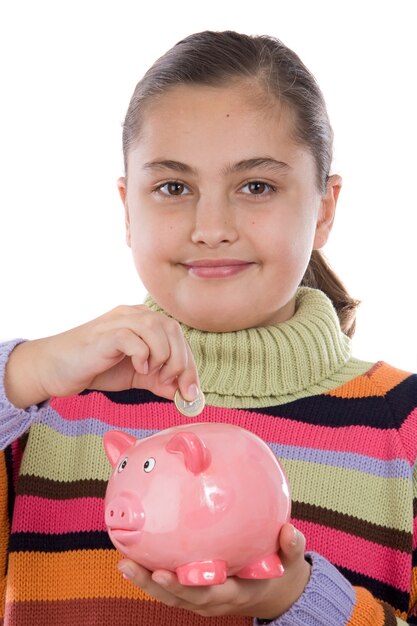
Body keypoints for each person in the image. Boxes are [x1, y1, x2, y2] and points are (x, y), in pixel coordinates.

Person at [0, 30, 415, 626]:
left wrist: (296, 599)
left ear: (324, 207)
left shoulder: (404, 425)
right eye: (174, 187)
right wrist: (25, 370)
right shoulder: (41, 408)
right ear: (126, 207)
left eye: (256, 186)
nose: (211, 226)